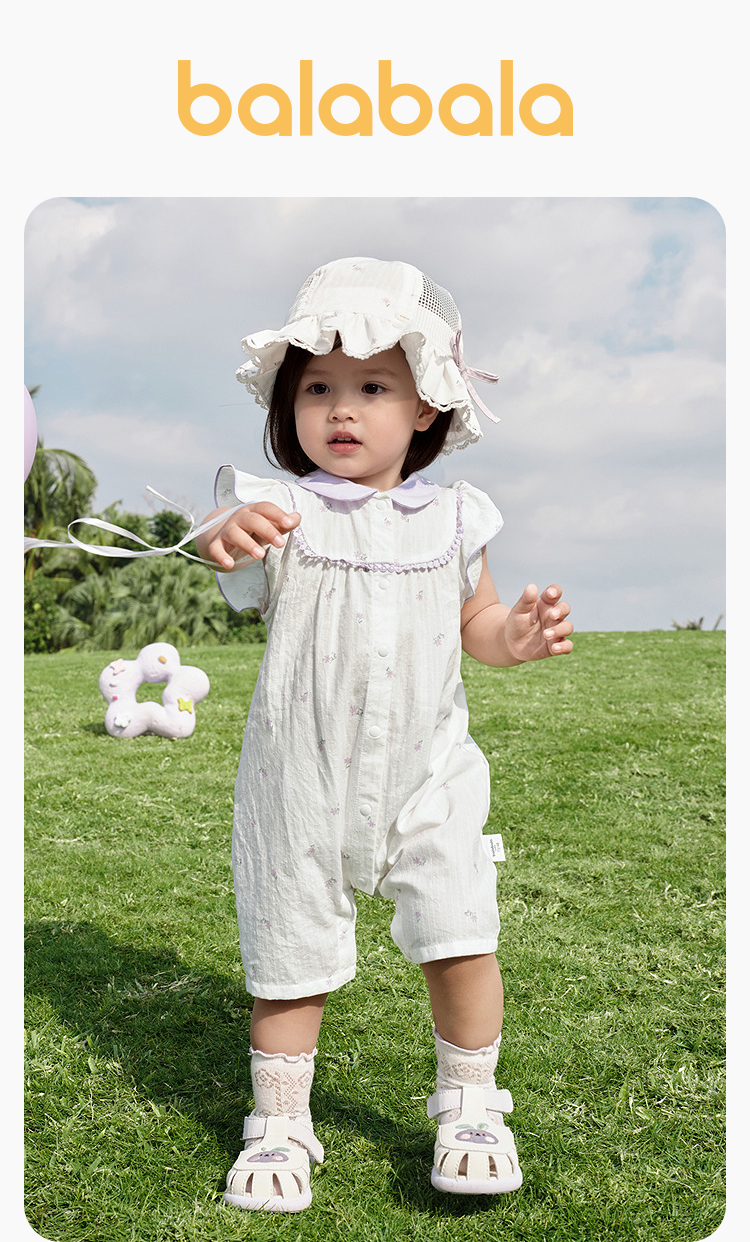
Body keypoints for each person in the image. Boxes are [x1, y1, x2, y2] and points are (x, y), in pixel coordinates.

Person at [195, 257, 574, 1213]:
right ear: (287, 407)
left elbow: (476, 624)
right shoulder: (279, 509)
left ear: (426, 407)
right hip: (301, 779)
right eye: (316, 388)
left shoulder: (456, 519)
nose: (341, 409)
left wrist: (519, 637)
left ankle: (471, 1104)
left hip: (429, 776)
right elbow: (222, 542)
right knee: (289, 957)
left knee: (461, 936)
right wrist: (225, 536)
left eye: (372, 387)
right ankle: (280, 1122)